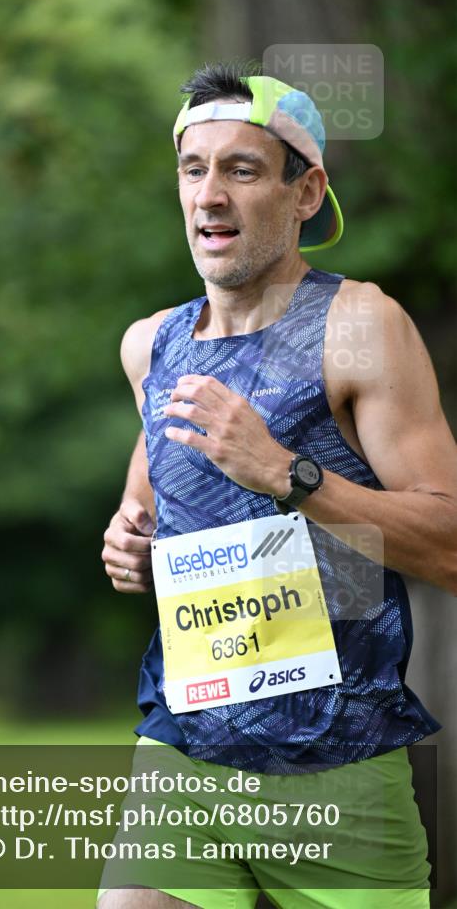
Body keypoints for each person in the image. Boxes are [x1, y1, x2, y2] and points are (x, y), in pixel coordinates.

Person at [98, 62, 457, 909]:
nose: (209, 195)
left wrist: (286, 476)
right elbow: (150, 506)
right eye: (193, 170)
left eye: (242, 170)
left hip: (336, 771)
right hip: (183, 751)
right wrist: (130, 542)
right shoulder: (150, 346)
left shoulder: (359, 326)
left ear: (306, 194)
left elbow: (447, 545)